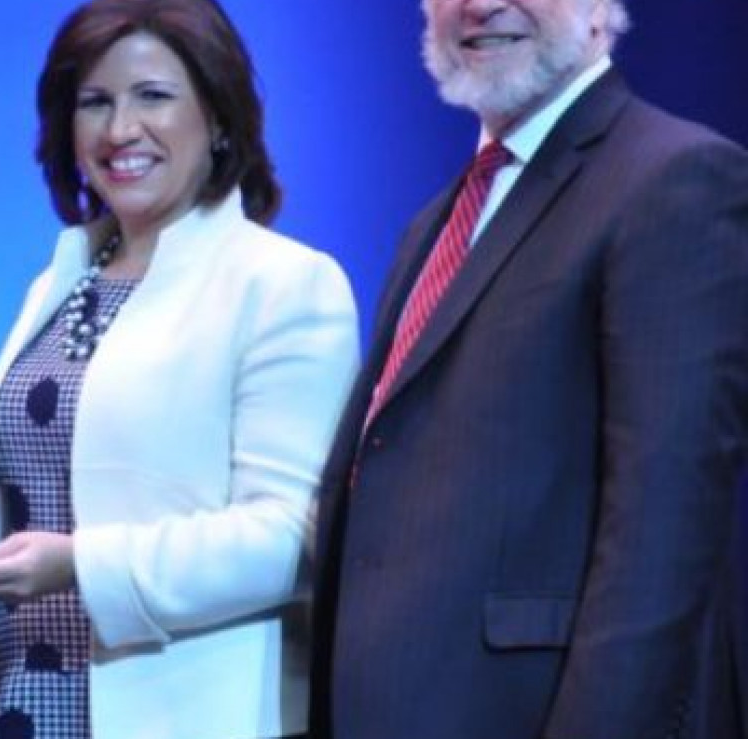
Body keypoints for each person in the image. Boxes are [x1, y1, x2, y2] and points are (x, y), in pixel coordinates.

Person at [0, 0, 358, 736]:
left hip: (176, 709)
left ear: (217, 117)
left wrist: (85, 565)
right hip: (16, 700)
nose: (120, 130)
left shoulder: (284, 284)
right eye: (95, 102)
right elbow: (67, 482)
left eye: (153, 95)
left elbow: (290, 539)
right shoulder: (65, 281)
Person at [308, 0, 748, 736]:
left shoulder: (678, 178)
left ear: (602, 10)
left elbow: (662, 532)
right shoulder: (434, 223)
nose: (479, 5)